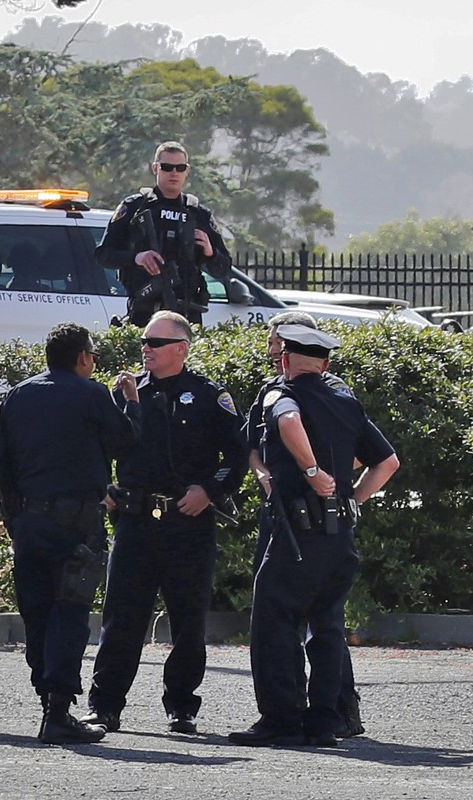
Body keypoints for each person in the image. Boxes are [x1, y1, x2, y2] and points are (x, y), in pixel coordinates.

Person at [231, 323, 398, 748]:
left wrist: (310, 470)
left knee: (275, 624)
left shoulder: (280, 393)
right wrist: (352, 497)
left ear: (286, 361)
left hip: (295, 535)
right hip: (338, 532)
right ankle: (325, 722)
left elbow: (288, 421)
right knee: (326, 627)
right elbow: (388, 463)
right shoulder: (345, 402)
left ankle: (282, 720)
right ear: (324, 365)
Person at [86, 311, 247, 735]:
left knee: (188, 618)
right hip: (136, 520)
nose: (146, 349)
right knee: (122, 616)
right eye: (144, 341)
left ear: (181, 348)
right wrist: (103, 487)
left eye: (156, 342)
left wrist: (209, 491)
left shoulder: (210, 396)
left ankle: (181, 706)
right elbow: (96, 445)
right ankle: (104, 705)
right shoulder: (125, 393)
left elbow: (236, 455)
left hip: (188, 522)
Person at [0, 323, 133, 744]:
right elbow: (125, 442)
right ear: (83, 357)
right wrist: (132, 404)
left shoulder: (20, 394)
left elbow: (2, 463)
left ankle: (48, 704)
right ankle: (58, 713)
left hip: (31, 523)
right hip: (77, 525)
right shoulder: (93, 394)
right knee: (68, 615)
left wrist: (16, 518)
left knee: (37, 614)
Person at [246, 310, 364, 737]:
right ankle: (319, 717)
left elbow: (303, 430)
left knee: (286, 618)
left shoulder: (315, 393)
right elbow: (255, 445)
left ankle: (314, 713)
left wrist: (317, 474)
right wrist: (264, 473)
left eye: (280, 344)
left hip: (303, 524)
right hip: (296, 516)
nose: (274, 350)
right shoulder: (277, 390)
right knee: (323, 619)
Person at [95, 142, 233, 326]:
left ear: (187, 171)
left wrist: (210, 251)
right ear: (155, 168)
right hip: (144, 312)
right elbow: (103, 255)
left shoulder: (198, 214)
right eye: (167, 167)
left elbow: (223, 269)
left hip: (187, 314)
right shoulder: (135, 207)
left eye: (180, 167)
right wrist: (137, 257)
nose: (174, 173)